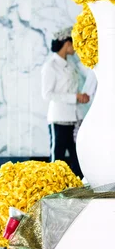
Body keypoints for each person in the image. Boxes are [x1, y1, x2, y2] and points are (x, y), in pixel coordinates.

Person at [41, 27, 89, 178]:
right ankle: (53, 191)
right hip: (59, 119)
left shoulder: (71, 64)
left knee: (79, 158)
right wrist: (74, 97)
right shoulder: (51, 66)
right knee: (57, 158)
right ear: (67, 44)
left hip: (74, 119)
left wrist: (81, 97)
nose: (74, 47)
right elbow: (47, 94)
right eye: (73, 44)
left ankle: (78, 190)